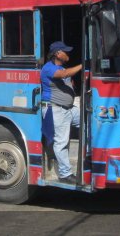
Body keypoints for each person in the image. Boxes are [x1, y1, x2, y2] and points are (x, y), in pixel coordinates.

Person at [40, 41, 83, 184]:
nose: (68, 53)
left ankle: (87, 160)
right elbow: (64, 74)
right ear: (57, 53)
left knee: (88, 121)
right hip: (56, 109)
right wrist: (84, 65)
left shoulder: (61, 67)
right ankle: (65, 174)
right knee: (61, 142)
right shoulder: (48, 68)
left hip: (69, 108)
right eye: (65, 51)